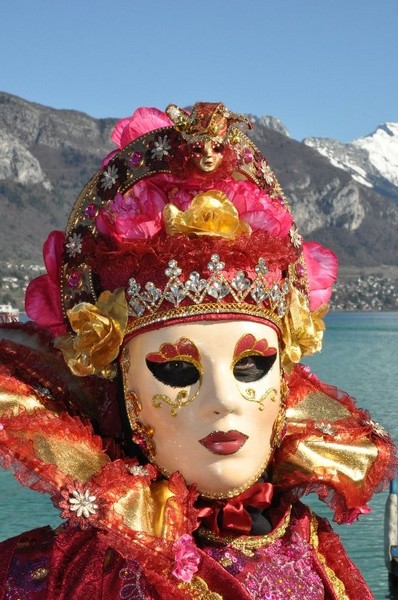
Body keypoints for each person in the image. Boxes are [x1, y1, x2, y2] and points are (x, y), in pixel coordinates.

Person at [0, 101, 395, 599]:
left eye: (252, 365)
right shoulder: (54, 575)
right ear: (121, 385)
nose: (224, 399)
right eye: (178, 370)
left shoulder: (313, 551)